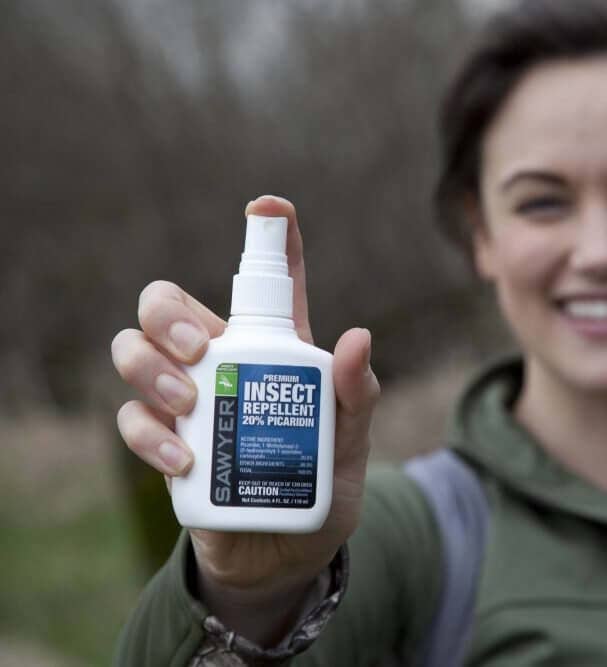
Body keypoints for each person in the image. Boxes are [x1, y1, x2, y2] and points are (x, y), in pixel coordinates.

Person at [111, 0, 607, 664]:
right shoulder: (406, 537)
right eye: (542, 201)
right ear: (479, 231)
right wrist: (250, 593)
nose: (597, 249)